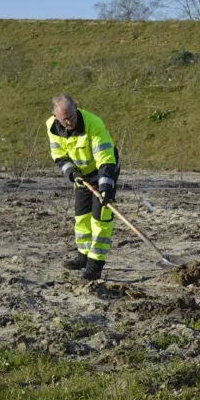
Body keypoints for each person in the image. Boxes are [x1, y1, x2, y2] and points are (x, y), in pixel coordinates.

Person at [45, 93, 119, 280]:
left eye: (72, 117)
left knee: (100, 217)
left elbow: (106, 160)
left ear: (76, 109)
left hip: (103, 170)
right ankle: (83, 256)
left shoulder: (94, 124)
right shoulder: (52, 127)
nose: (69, 122)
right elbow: (59, 154)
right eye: (64, 119)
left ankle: (95, 264)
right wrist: (72, 173)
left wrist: (105, 188)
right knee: (82, 216)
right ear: (56, 118)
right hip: (81, 175)